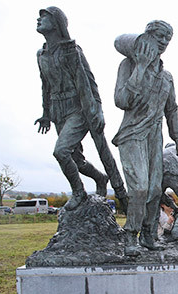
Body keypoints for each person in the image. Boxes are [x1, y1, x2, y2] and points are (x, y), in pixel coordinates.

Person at [34, 7, 127, 211]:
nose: (38, 19)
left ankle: (79, 192)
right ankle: (100, 178)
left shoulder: (72, 50)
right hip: (58, 109)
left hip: (80, 108)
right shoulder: (41, 54)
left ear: (57, 23)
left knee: (61, 152)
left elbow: (89, 82)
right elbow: (45, 86)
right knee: (75, 159)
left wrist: (98, 109)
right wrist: (46, 114)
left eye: (44, 16)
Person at [113, 20, 178, 256]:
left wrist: (177, 139)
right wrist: (141, 68)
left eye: (167, 39)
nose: (163, 42)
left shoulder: (167, 77)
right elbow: (121, 100)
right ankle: (130, 235)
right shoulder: (128, 65)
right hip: (132, 134)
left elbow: (171, 109)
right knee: (140, 188)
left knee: (154, 190)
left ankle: (148, 234)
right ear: (147, 37)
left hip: (155, 135)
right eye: (159, 36)